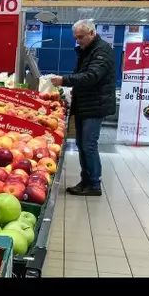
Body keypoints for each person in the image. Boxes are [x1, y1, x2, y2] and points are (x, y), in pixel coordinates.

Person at [50, 19, 116, 197]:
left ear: (92, 33)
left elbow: (92, 76)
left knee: (88, 145)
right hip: (85, 104)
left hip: (95, 106)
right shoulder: (88, 51)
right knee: (81, 144)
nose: (78, 41)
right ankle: (85, 181)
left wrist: (65, 80)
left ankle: (94, 184)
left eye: (81, 37)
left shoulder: (102, 51)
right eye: (76, 38)